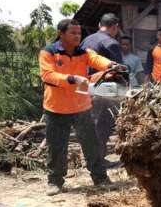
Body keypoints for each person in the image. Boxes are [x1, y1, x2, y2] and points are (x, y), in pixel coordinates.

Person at [39, 18, 125, 195]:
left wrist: (112, 65)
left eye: (79, 33)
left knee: (91, 144)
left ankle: (100, 178)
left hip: (81, 107)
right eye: (73, 33)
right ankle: (55, 182)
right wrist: (71, 79)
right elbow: (48, 75)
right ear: (61, 34)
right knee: (56, 147)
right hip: (56, 108)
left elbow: (97, 59)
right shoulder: (49, 52)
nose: (77, 36)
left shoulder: (83, 52)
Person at [80, 13, 125, 165]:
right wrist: (123, 92)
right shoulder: (111, 42)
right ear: (115, 27)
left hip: (84, 86)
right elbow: (119, 69)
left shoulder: (86, 40)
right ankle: (97, 160)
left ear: (100, 25)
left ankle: (91, 158)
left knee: (92, 122)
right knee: (103, 123)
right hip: (103, 88)